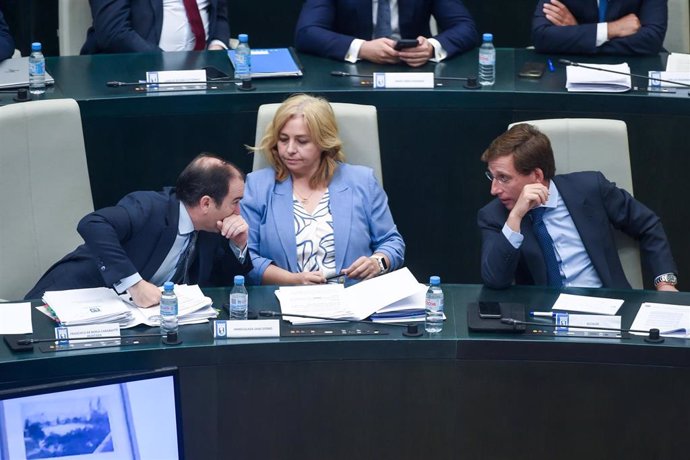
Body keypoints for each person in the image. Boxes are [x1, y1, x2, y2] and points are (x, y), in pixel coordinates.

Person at [25, 154, 251, 307]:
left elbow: (223, 285)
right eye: (235, 201)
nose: (238, 211)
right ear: (206, 203)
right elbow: (92, 224)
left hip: (127, 321)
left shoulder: (210, 232)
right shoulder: (150, 207)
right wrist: (134, 284)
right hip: (70, 298)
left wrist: (238, 245)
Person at [477, 123, 678, 291]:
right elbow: (495, 279)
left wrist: (665, 282)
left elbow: (648, 224)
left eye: (504, 178)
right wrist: (516, 216)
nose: (494, 189)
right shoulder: (494, 216)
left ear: (536, 176)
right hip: (542, 322)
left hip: (609, 310)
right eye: (492, 177)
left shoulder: (591, 188)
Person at [241, 94, 405, 285]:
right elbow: (247, 258)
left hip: (354, 302)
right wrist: (292, 280)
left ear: (323, 142)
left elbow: (392, 243)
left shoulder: (362, 181)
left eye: (302, 141)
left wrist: (377, 263)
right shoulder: (257, 186)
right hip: (285, 300)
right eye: (283, 139)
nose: (290, 149)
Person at [294, 0, 479, 67]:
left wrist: (431, 47)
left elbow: (465, 27)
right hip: (350, 70)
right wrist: (362, 48)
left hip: (414, 69)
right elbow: (307, 32)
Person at [81, 0, 230, 54]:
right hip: (132, 74)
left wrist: (217, 47)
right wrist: (165, 63)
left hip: (202, 78)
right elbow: (113, 33)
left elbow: (219, 15)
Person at [532, 0, 667, 55]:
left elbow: (652, 39)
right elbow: (542, 36)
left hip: (637, 71)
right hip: (571, 70)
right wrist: (610, 30)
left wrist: (579, 34)